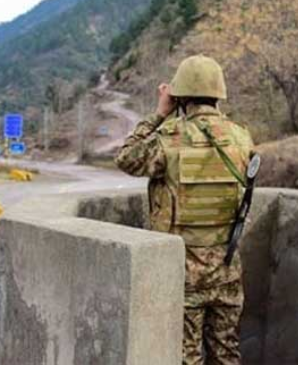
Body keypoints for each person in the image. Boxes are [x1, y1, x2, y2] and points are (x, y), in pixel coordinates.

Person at [115, 54, 253, 365]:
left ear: (180, 95)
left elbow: (126, 158)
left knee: (185, 357)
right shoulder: (241, 137)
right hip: (227, 269)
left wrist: (159, 113)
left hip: (182, 272)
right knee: (226, 354)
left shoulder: (169, 139)